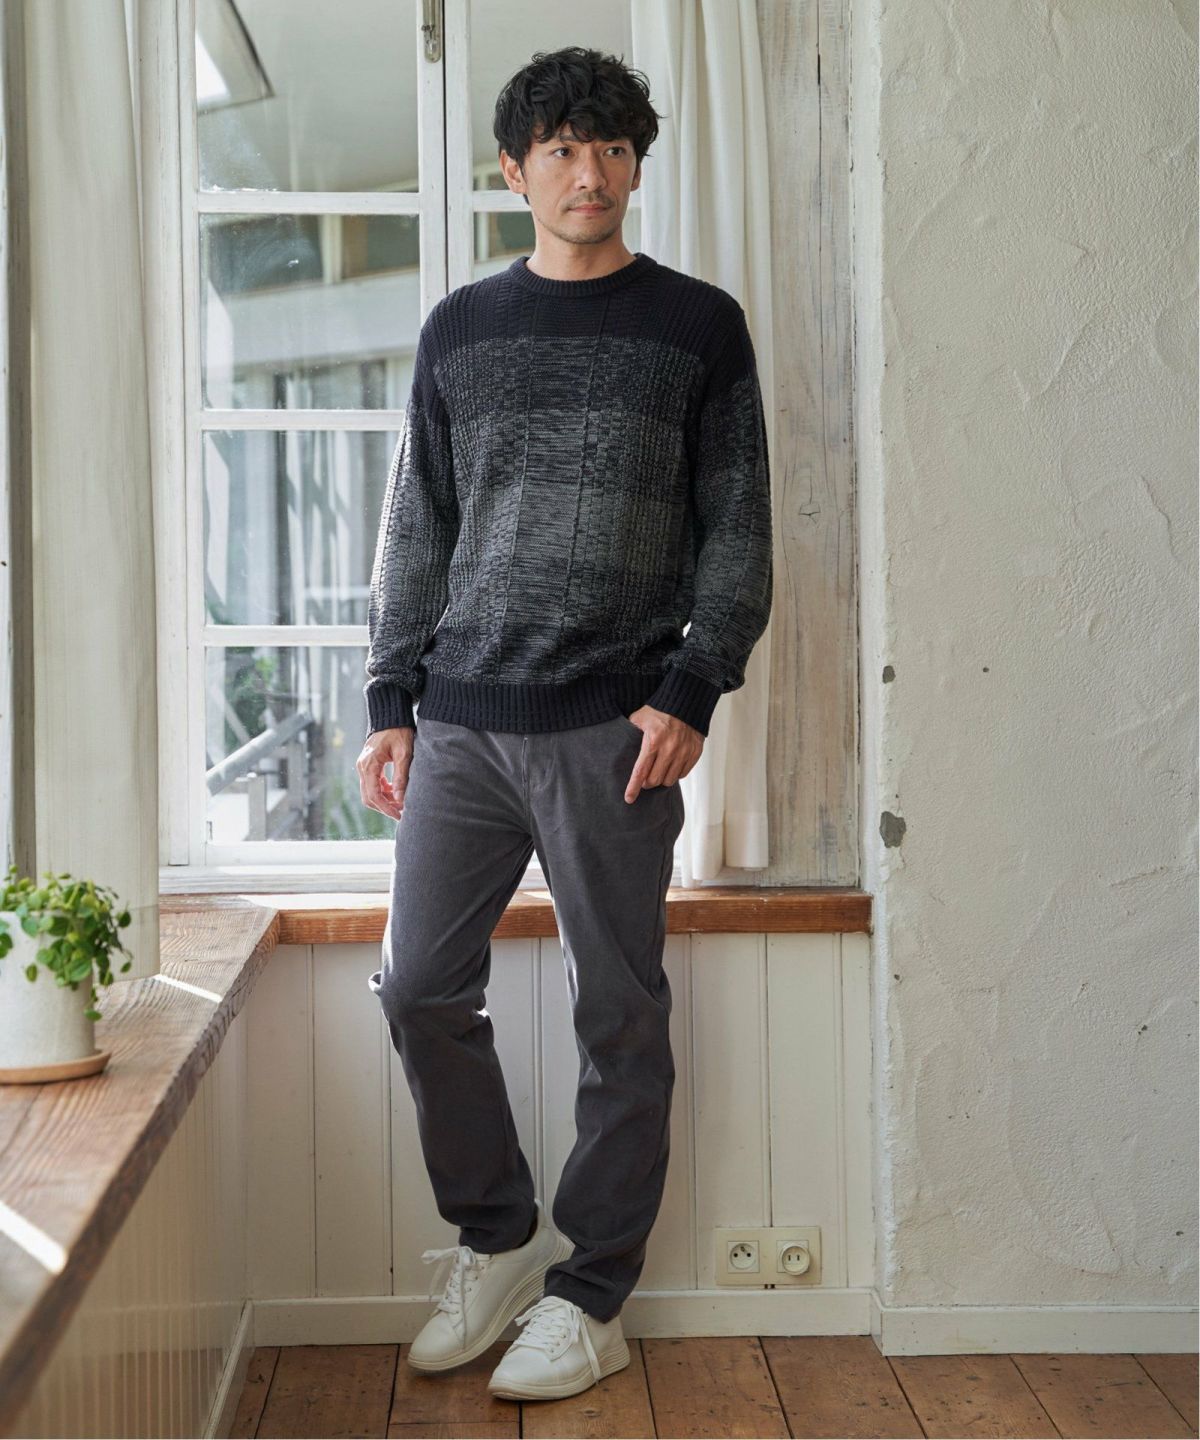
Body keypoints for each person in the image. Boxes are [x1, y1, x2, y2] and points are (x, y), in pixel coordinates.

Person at [357, 45, 773, 1403]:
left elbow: (740, 528)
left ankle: (593, 1297)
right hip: (465, 724)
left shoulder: (698, 326)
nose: (587, 172)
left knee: (619, 1012)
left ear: (636, 165)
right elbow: (416, 526)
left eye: (610, 149)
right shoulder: (461, 330)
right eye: (559, 150)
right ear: (514, 171)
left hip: (618, 727)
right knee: (420, 987)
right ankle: (495, 1238)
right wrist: (391, 698)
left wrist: (694, 687)